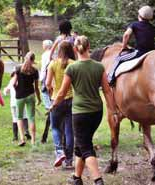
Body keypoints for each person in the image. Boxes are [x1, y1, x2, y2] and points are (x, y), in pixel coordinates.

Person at [49, 36, 118, 185]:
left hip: (80, 113)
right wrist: (112, 110)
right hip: (97, 112)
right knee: (82, 143)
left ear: (75, 49)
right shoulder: (99, 66)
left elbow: (61, 92)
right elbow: (107, 91)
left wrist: (54, 105)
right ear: (89, 47)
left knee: (85, 146)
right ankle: (76, 178)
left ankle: (98, 180)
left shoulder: (72, 68)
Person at [108, 5, 155, 86]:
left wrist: (124, 47)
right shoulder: (152, 27)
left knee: (119, 59)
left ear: (139, 16)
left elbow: (126, 35)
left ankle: (110, 79)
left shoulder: (134, 24)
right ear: (150, 18)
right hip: (151, 53)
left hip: (140, 52)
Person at [46, 41, 75, 168]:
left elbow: (47, 83)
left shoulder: (53, 64)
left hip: (56, 99)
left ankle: (59, 152)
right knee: (69, 130)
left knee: (55, 127)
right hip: (71, 100)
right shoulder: (74, 64)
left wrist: (52, 92)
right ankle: (69, 159)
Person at [9, 52, 41, 146]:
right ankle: (33, 141)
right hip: (30, 95)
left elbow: (13, 83)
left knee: (19, 117)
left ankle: (22, 139)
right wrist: (39, 98)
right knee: (31, 117)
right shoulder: (35, 71)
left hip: (20, 96)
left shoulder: (18, 69)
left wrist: (17, 89)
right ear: (33, 60)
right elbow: (36, 87)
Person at [3, 72, 31, 141]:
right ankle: (26, 131)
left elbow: (6, 91)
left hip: (13, 103)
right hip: (22, 102)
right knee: (24, 116)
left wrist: (4, 91)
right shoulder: (24, 80)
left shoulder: (12, 80)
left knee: (15, 118)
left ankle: (15, 137)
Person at [40, 39, 53, 143]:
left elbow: (44, 68)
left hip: (47, 77)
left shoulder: (45, 55)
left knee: (43, 92)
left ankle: (48, 107)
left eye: (43, 45)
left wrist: (42, 79)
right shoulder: (55, 53)